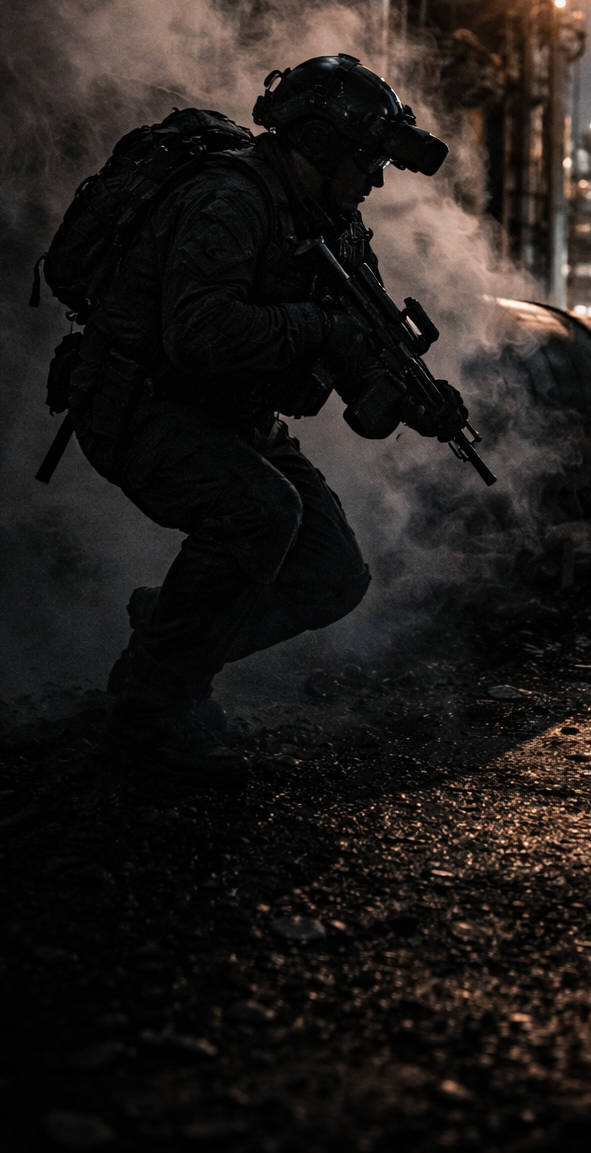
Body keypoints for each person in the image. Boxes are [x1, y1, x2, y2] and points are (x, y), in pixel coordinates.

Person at [67, 54, 468, 785]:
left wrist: (414, 399)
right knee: (261, 513)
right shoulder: (232, 199)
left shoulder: (336, 226)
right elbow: (199, 332)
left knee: (333, 573)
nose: (374, 180)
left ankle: (168, 638)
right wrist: (316, 328)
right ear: (316, 143)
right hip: (138, 403)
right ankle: (152, 716)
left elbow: (360, 380)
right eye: (365, 159)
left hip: (229, 415)